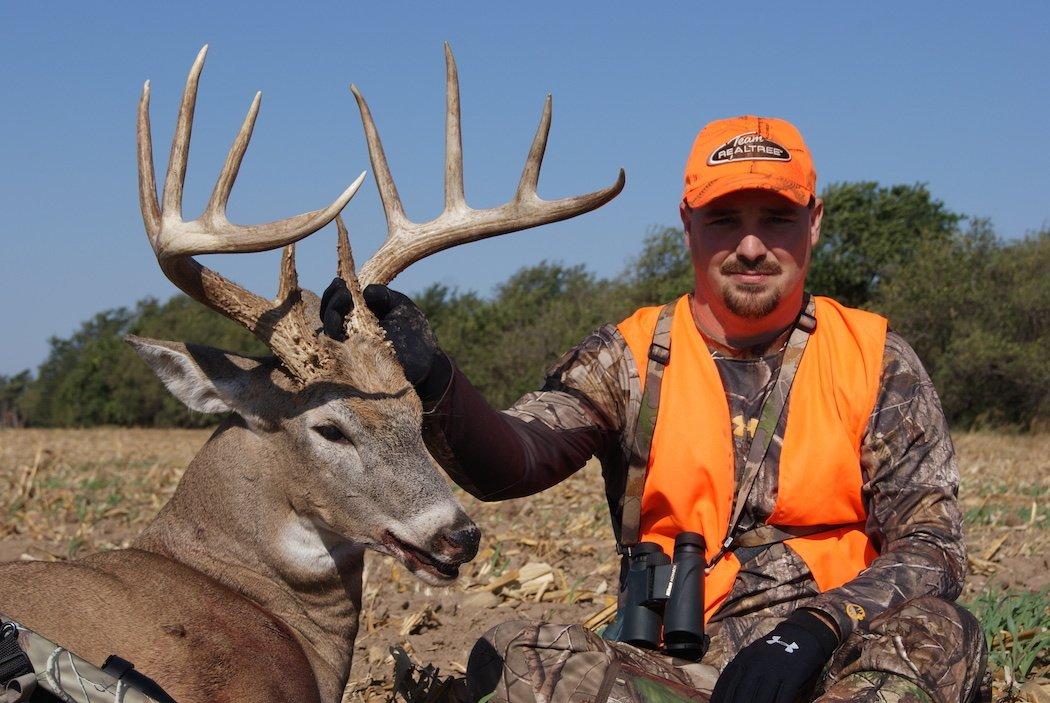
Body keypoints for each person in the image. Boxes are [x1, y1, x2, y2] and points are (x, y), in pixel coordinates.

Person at [329, 115, 988, 702]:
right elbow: (514, 456)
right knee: (518, 651)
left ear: (814, 221)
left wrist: (811, 631)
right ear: (687, 222)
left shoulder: (878, 359)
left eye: (776, 218)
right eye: (725, 219)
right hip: (680, 672)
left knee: (943, 629)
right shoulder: (631, 357)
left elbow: (934, 547)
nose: (751, 246)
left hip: (837, 663)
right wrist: (428, 370)